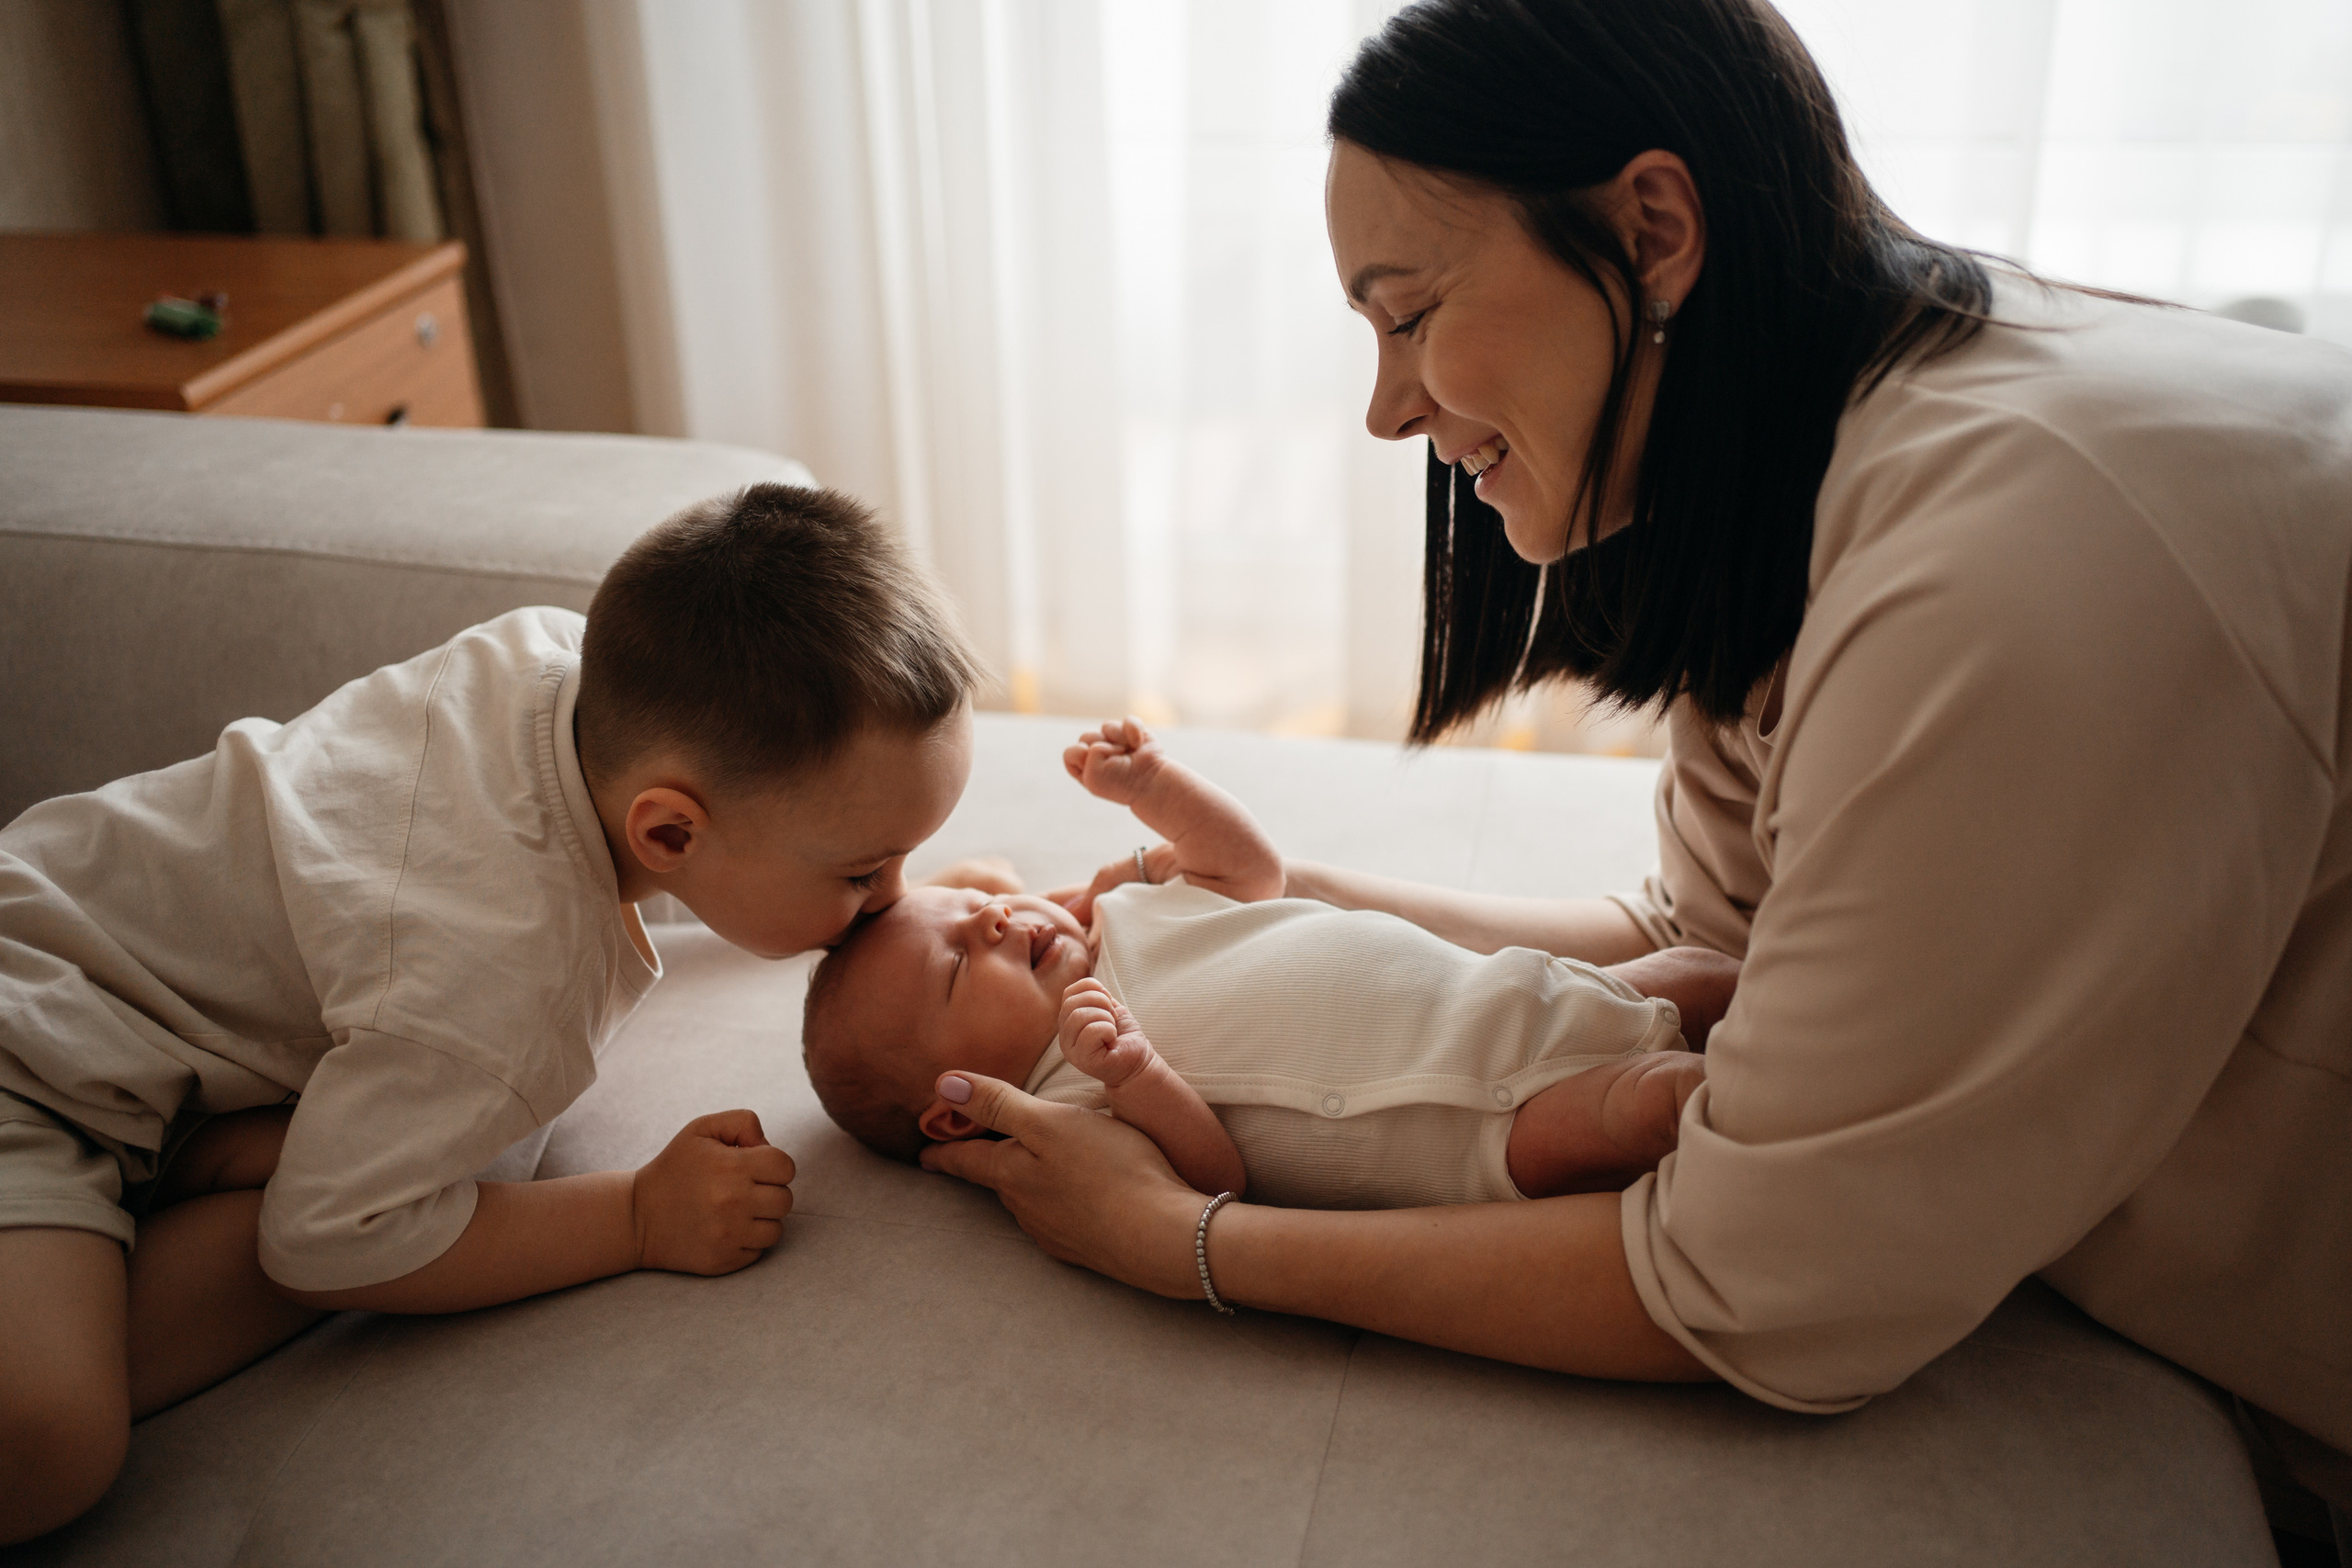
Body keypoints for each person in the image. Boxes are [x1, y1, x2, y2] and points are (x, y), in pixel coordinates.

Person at [911, 0, 2352, 1538]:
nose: (1386, 408)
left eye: (1409, 315)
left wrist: (1189, 1239)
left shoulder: (2008, 580)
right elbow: (1717, 935)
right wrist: (1278, 900)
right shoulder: (1813, 453)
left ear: (1651, 229)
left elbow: (1754, 1284)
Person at [0, 483, 983, 1544]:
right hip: (35, 1058)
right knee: (52, 1440)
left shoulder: (550, 663)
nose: (892, 896)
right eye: (865, 870)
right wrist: (636, 1217)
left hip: (64, 933)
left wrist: (868, 882)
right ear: (667, 834)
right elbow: (324, 1245)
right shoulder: (504, 974)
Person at [802, 718, 1727, 1208]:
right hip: (1473, 1133)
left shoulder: (1127, 914)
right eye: (960, 965)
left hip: (1501, 992)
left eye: (973, 907)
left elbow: (1251, 871)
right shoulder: (1070, 1102)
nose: (997, 921)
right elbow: (1215, 1181)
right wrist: (1136, 1074)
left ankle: (1807, 1018)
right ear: (957, 1105)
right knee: (1654, 1105)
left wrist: (1157, 790)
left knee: (1699, 977)